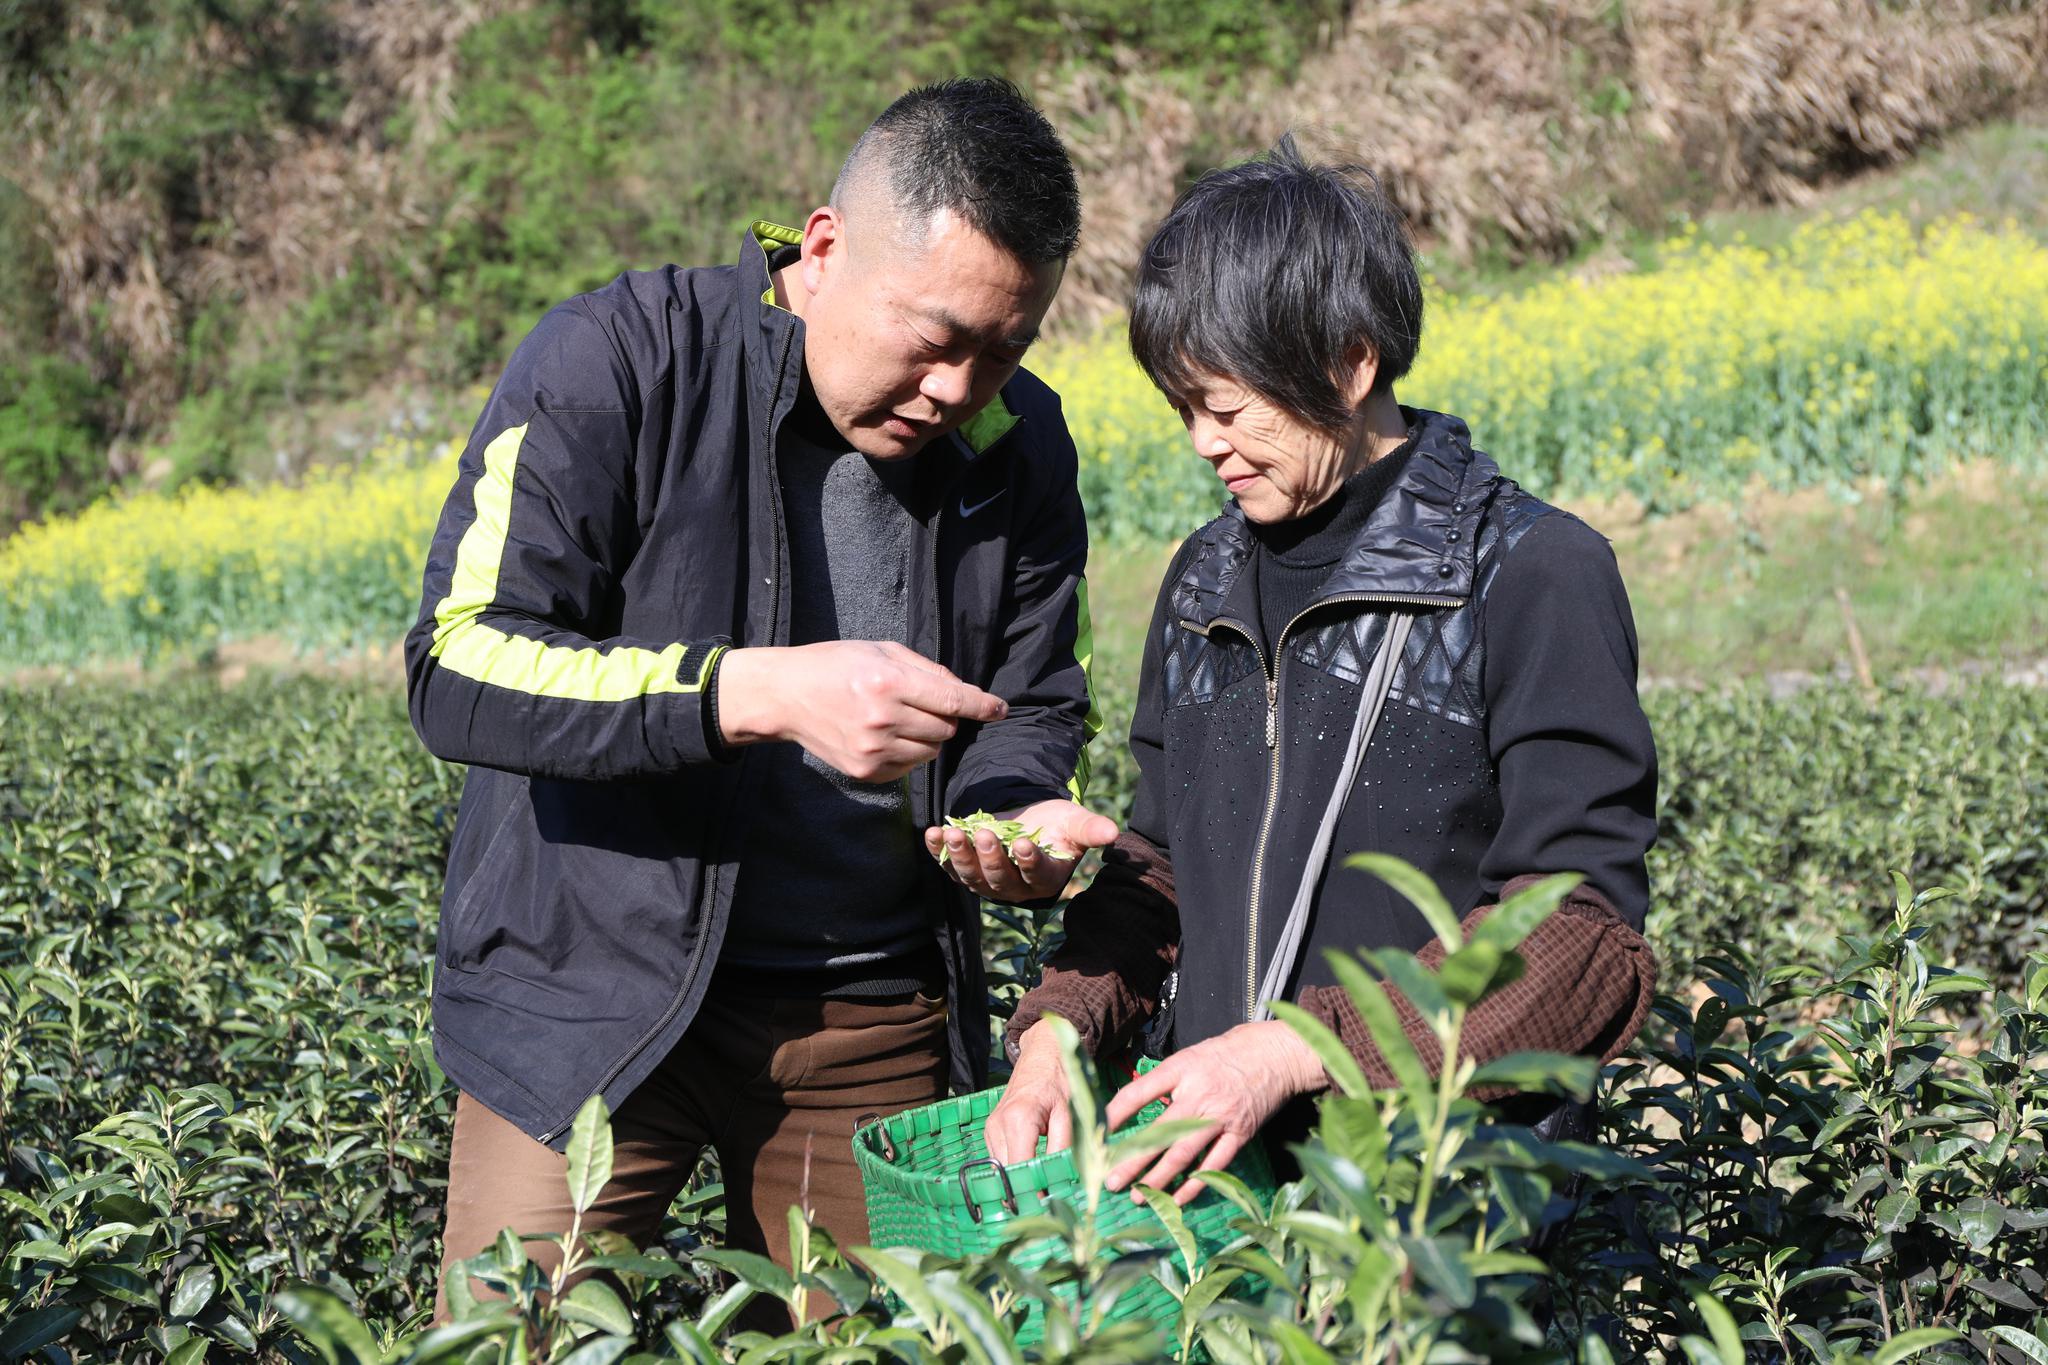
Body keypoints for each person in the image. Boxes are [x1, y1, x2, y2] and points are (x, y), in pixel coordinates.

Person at [405, 79, 1119, 1319]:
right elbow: (457, 664)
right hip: (587, 1000)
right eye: (935, 336)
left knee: (874, 1343)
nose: (959, 387)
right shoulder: (619, 360)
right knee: (513, 1340)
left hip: (867, 1018)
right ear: (824, 248)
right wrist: (749, 692)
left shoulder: (1017, 443)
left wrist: (1007, 813)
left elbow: (1036, 700)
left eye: (1003, 347)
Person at [984, 137, 1660, 1204]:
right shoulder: (1205, 576)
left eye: (1227, 405)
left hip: (1434, 1197)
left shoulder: (1528, 572)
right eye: (1181, 409)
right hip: (1220, 1186)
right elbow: (1158, 864)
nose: (1204, 445)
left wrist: (1293, 1052)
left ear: (1349, 365)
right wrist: (1059, 1025)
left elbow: (1578, 935)